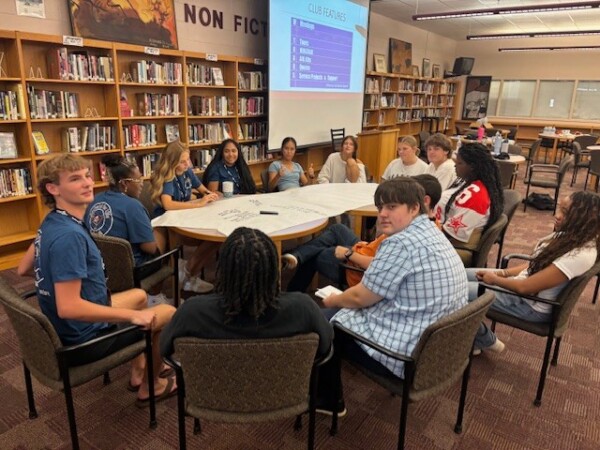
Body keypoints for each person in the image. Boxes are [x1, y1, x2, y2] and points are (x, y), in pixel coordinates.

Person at [17, 154, 177, 407]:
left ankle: (139, 371)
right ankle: (151, 385)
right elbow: (68, 307)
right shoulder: (69, 237)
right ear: (53, 188)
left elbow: (24, 268)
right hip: (83, 339)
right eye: (75, 179)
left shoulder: (54, 220)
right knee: (168, 313)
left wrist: (57, 277)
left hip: (66, 325)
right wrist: (131, 317)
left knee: (139, 296)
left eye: (87, 176)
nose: (87, 183)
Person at [316, 178, 468, 413]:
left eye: (392, 207)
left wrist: (332, 300)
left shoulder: (401, 243)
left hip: (409, 356)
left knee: (322, 324)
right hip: (440, 352)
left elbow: (359, 298)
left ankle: (329, 401)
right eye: (380, 208)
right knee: (342, 311)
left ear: (415, 208)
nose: (382, 214)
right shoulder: (432, 231)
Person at [160, 226, 333, 363]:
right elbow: (326, 345)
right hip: (287, 395)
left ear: (223, 271)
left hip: (209, 396)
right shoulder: (303, 308)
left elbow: (164, 349)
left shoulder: (192, 312)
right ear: (274, 270)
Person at [468, 191, 600, 354]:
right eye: (560, 209)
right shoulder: (571, 236)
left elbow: (525, 288)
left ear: (584, 218)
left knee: (455, 290)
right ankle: (479, 339)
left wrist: (494, 279)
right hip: (520, 289)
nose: (557, 215)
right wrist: (503, 273)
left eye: (565, 212)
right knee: (460, 274)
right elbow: (534, 264)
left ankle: (485, 340)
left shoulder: (580, 255)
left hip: (528, 305)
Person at [283, 174, 442, 292]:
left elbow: (380, 265)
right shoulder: (429, 224)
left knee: (315, 254)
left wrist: (348, 254)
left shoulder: (408, 234)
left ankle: (292, 292)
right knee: (338, 229)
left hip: (355, 268)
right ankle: (297, 256)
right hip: (364, 249)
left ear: (424, 201)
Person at [150, 140, 219, 294]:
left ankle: (188, 272)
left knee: (214, 239)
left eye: (188, 159)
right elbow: (168, 204)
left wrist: (210, 195)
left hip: (185, 217)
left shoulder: (187, 171)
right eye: (182, 161)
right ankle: (187, 273)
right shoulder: (169, 176)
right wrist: (198, 204)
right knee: (210, 239)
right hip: (168, 224)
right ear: (172, 162)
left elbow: (202, 189)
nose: (187, 164)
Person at [434, 143, 504, 265]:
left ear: (472, 166)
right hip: (453, 242)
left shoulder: (475, 195)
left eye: (460, 163)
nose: (455, 165)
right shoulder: (473, 184)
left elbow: (450, 235)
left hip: (456, 248)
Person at [86, 154, 158, 266]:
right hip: (129, 268)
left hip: (99, 265)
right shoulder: (133, 206)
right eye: (138, 179)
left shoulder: (94, 199)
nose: (142, 184)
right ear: (124, 183)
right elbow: (150, 248)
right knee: (162, 233)